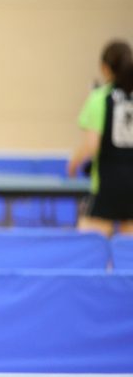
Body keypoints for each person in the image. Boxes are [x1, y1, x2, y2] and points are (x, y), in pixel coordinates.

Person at [68, 40, 133, 235]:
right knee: (129, 249)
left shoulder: (100, 98)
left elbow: (92, 145)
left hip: (107, 184)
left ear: (105, 68)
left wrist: (74, 164)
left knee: (90, 246)